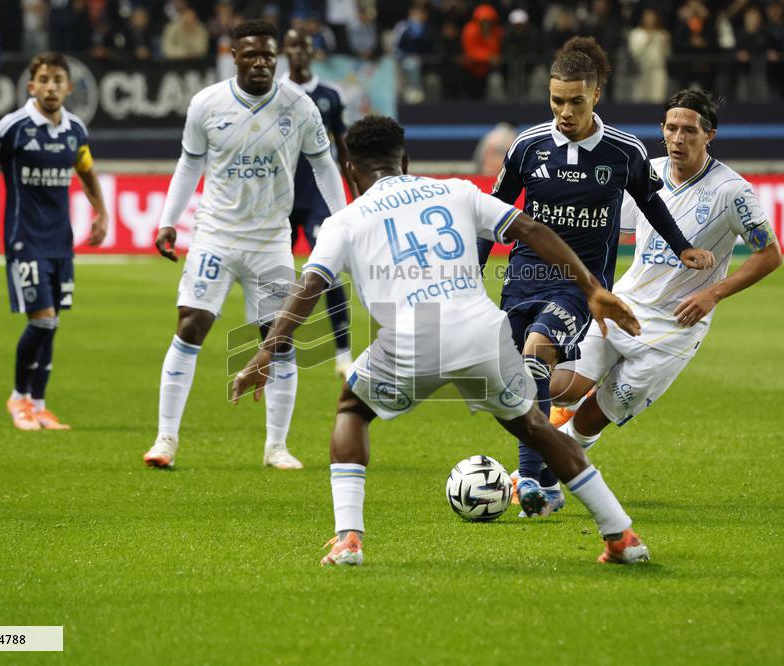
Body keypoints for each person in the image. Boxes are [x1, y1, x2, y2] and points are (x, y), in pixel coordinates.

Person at [232, 115, 651, 567]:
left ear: (350, 171)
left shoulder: (345, 221)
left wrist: (265, 352)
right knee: (533, 425)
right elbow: (530, 230)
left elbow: (309, 286)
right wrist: (591, 288)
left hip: (412, 337)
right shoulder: (456, 190)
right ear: (406, 160)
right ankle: (621, 535)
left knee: (353, 409)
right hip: (482, 332)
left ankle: (349, 539)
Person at [477, 38, 715, 518]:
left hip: (579, 286)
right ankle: (549, 476)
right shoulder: (527, 146)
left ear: (596, 95)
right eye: (556, 100)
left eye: (575, 101)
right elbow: (492, 213)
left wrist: (682, 246)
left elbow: (651, 202)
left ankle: (527, 482)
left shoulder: (624, 151)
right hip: (522, 277)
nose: (565, 111)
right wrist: (470, 272)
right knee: (523, 382)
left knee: (536, 355)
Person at [142, 21, 347, 470]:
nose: (261, 63)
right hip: (215, 235)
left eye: (268, 56)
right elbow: (188, 163)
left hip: (271, 241)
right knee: (190, 326)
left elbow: (324, 166)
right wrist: (167, 221)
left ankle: (276, 446)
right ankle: (165, 440)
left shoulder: (299, 105)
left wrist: (343, 219)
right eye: (251, 55)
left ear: (277, 58)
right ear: (233, 55)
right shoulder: (207, 104)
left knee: (280, 339)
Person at [548, 90, 782, 448]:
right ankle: (549, 450)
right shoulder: (647, 171)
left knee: (593, 417)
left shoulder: (732, 191)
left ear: (709, 135)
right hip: (624, 306)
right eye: (671, 128)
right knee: (561, 391)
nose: (678, 138)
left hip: (675, 329)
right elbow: (606, 224)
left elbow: (769, 254)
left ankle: (543, 470)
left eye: (689, 130)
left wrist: (712, 294)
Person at [0, 51, 108, 431]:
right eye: (44, 80)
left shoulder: (76, 129)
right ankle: (18, 397)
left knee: (54, 323)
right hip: (24, 240)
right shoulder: (14, 126)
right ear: (32, 86)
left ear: (69, 86)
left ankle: (40, 404)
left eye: (57, 80)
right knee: (42, 322)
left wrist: (101, 212)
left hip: (60, 242)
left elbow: (87, 170)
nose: (50, 87)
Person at [280, 28, 356, 377]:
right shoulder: (273, 93)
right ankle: (280, 348)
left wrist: (353, 194)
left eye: (304, 46)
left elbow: (341, 148)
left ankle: (343, 352)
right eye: (293, 45)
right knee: (276, 276)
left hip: (317, 197)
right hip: (280, 198)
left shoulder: (330, 95)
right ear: (285, 51)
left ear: (313, 53)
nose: (298, 52)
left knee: (330, 273)